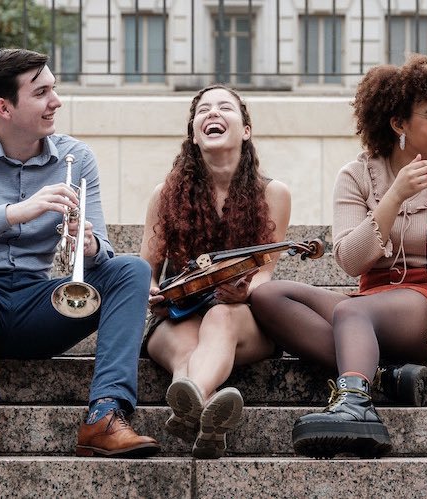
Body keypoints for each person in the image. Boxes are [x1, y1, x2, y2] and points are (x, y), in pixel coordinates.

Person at [0, 48, 158, 459]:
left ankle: (105, 414)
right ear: (3, 107)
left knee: (131, 270)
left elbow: (106, 254)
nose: (56, 101)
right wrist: (13, 214)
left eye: (54, 89)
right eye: (42, 92)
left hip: (32, 304)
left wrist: (91, 244)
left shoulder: (76, 157)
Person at [249, 54, 427, 459]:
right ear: (398, 123)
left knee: (351, 313)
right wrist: (395, 196)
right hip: (367, 303)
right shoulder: (357, 175)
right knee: (267, 296)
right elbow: (349, 260)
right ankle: (383, 375)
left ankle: (356, 406)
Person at [139, 84, 292, 459]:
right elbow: (146, 268)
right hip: (178, 316)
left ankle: (191, 397)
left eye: (225, 107)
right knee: (187, 347)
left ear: (246, 129)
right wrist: (152, 290)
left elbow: (264, 275)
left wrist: (244, 293)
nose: (213, 113)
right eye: (203, 110)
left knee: (221, 317)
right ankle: (205, 415)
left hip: (242, 318)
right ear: (193, 133)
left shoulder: (274, 194)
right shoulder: (166, 195)